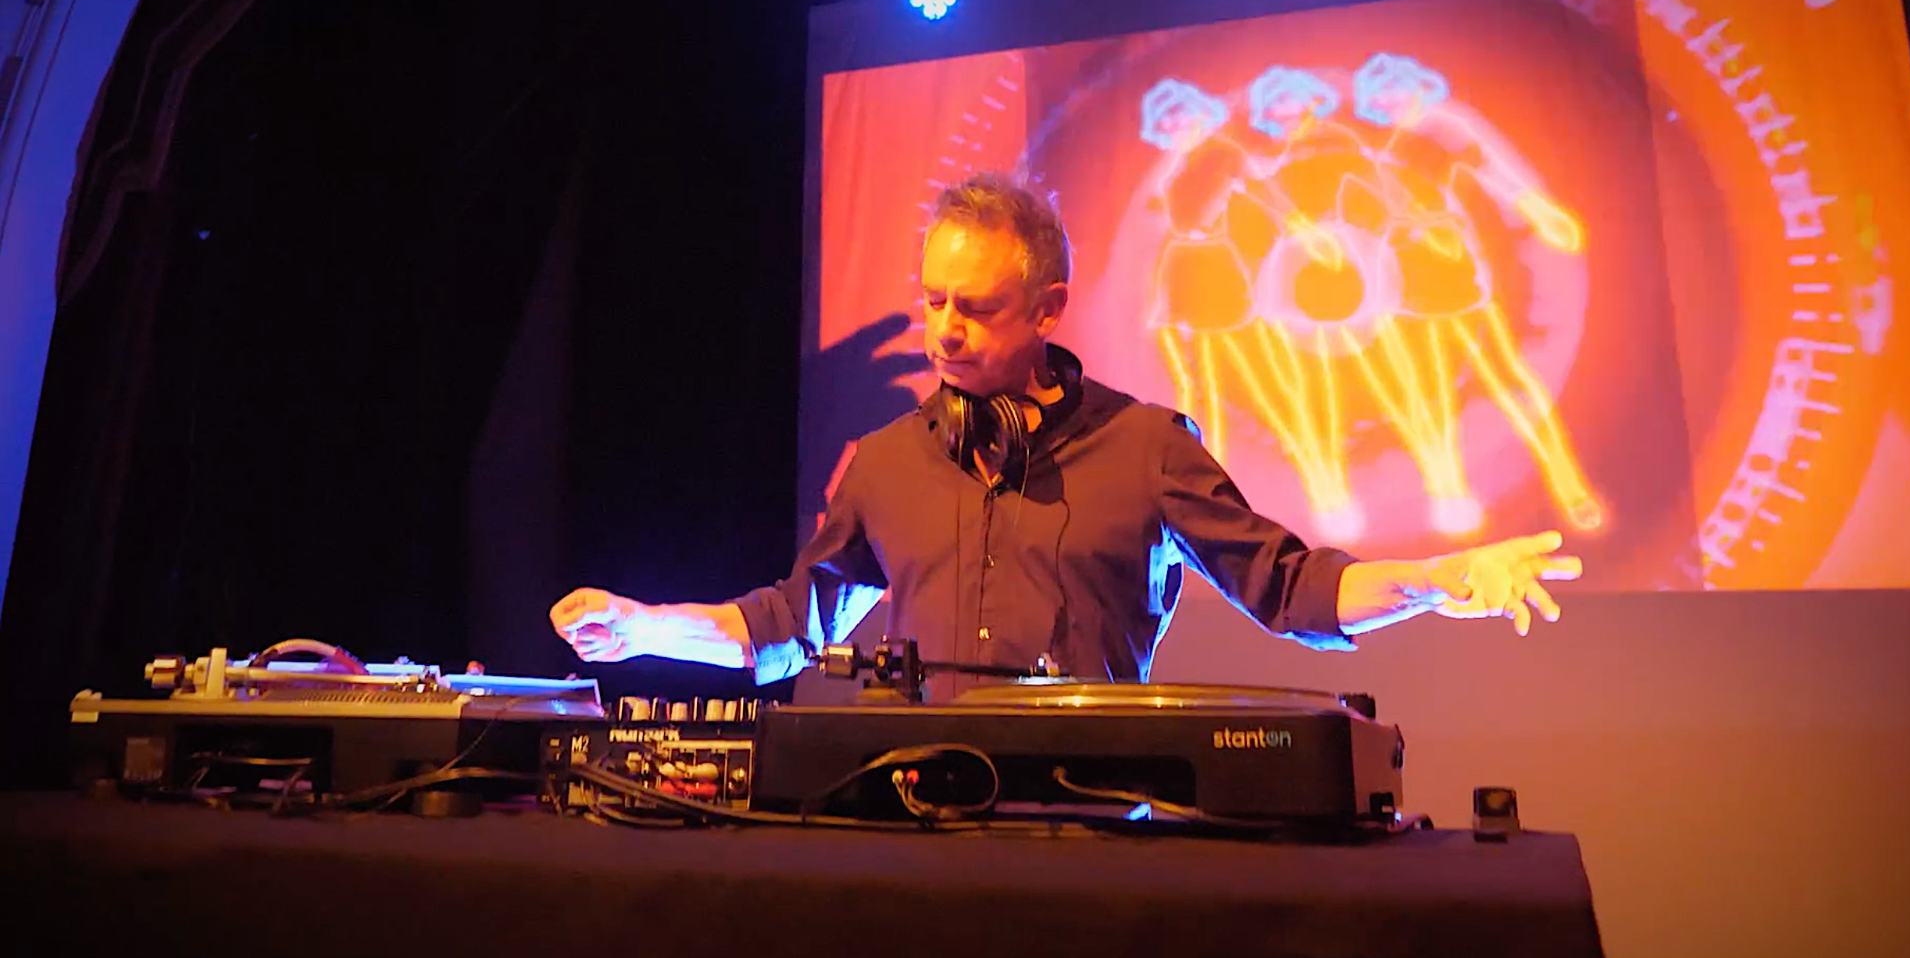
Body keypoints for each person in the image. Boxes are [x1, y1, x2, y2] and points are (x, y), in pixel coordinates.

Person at [551, 175, 1581, 691]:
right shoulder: (886, 462)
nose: (944, 331)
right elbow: (789, 623)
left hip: (1095, 841)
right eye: (933, 300)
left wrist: (1439, 578)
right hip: (921, 836)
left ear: (1048, 309)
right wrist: (647, 627)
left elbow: (1292, 590)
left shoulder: (1147, 448)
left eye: (977, 307)